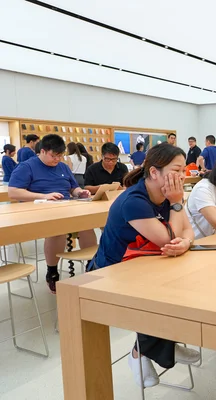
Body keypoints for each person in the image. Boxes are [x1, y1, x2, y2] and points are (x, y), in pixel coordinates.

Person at [87, 143, 200, 387]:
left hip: (151, 262)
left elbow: (187, 230)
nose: (182, 176)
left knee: (189, 284)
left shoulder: (167, 195)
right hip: (112, 271)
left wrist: (186, 243)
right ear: (154, 172)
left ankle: (164, 345)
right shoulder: (135, 200)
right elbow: (166, 238)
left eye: (184, 171)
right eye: (177, 170)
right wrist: (178, 205)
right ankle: (147, 351)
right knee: (162, 292)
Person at [8, 134, 96, 293]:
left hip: (65, 206)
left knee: (87, 225)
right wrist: (43, 196)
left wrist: (79, 192)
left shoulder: (62, 167)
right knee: (58, 232)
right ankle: (52, 270)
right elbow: (13, 192)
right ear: (42, 151)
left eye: (60, 156)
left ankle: (92, 266)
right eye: (53, 156)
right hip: (40, 210)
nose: (57, 159)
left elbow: (72, 187)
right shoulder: (26, 167)